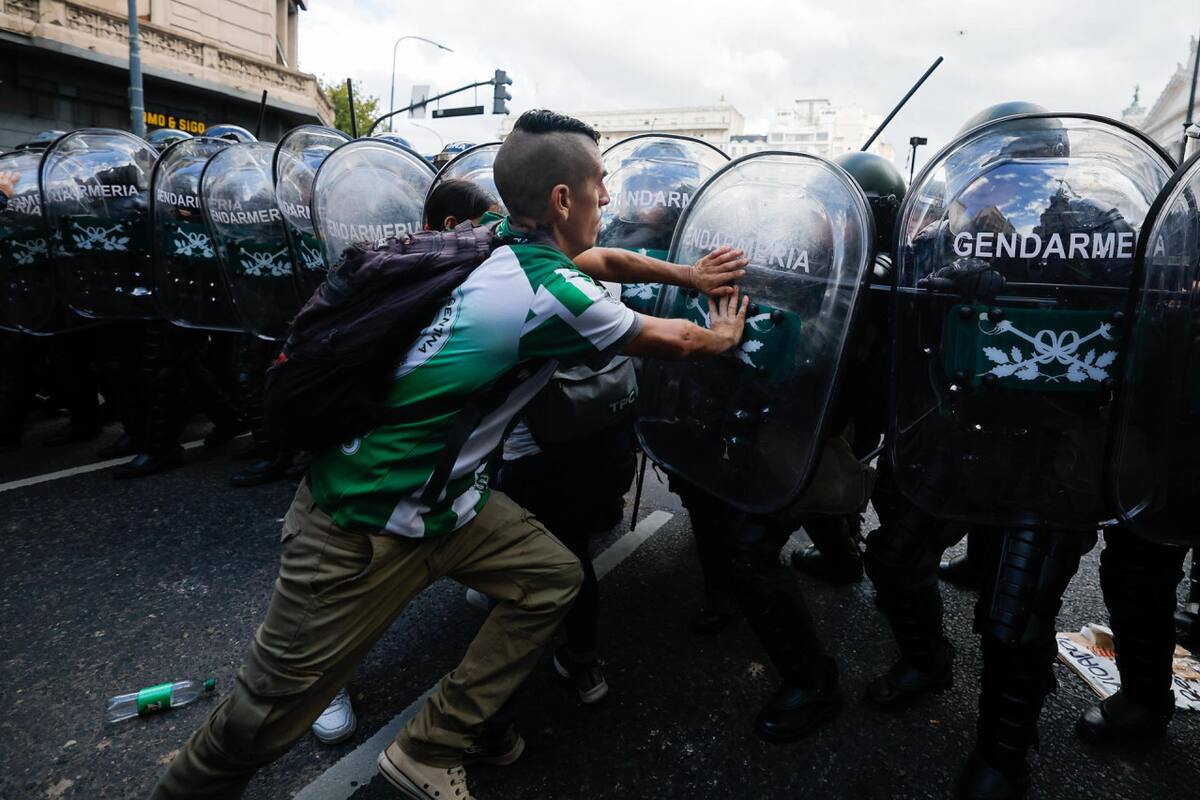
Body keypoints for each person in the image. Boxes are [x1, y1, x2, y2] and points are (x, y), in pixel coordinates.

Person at [151, 109, 748, 800]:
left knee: (553, 578)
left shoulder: (497, 240)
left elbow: (607, 260)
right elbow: (674, 340)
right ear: (563, 199)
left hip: (450, 508)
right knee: (258, 729)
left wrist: (688, 272)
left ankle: (431, 745)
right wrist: (721, 333)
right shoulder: (546, 293)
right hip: (362, 522)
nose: (607, 199)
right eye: (599, 185)